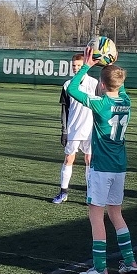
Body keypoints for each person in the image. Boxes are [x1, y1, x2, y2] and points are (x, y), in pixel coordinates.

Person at [66, 46, 137, 274]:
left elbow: (72, 88)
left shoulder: (100, 103)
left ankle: (100, 268)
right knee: (116, 213)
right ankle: (130, 262)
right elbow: (118, 85)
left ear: (102, 84)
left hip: (101, 168)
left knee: (96, 216)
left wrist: (87, 65)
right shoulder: (126, 101)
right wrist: (110, 64)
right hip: (119, 166)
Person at [52, 53, 96, 204]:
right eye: (74, 66)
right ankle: (63, 192)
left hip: (90, 129)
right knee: (69, 159)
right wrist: (64, 130)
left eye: (79, 65)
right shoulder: (67, 85)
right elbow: (65, 109)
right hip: (73, 129)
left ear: (85, 66)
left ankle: (90, 194)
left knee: (89, 160)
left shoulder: (94, 83)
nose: (76, 68)